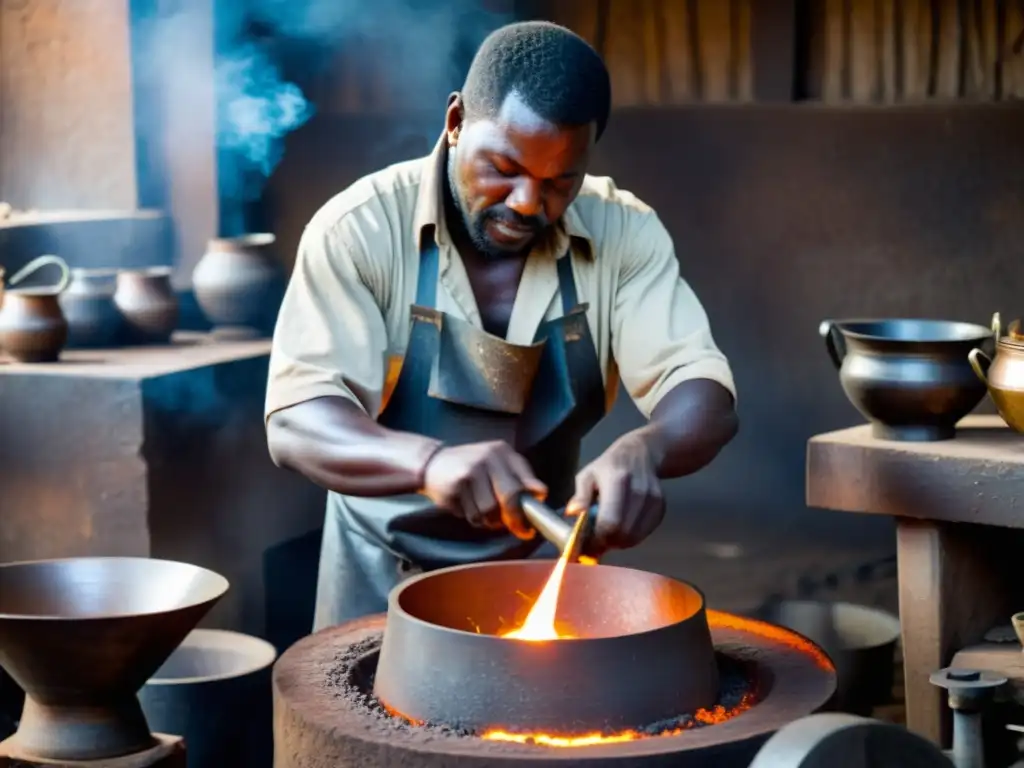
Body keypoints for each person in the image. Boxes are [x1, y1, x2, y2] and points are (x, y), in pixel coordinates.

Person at [265, 21, 738, 631]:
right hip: (378, 577)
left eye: (557, 182)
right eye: (502, 167)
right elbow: (298, 422)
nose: (524, 202)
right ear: (456, 121)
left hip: (540, 571)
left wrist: (646, 449)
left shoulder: (623, 231)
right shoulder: (360, 229)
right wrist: (427, 463)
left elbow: (702, 391)